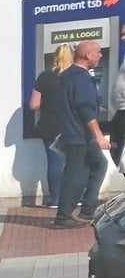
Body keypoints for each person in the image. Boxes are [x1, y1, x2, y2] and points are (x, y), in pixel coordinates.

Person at [54, 39, 110, 230]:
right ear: (88, 55)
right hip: (79, 135)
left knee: (99, 164)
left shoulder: (66, 76)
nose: (101, 55)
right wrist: (99, 135)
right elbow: (85, 109)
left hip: (72, 133)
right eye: (98, 52)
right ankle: (63, 217)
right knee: (75, 175)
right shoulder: (82, 78)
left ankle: (88, 208)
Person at [29, 43, 72, 209]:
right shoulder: (75, 75)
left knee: (54, 163)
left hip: (50, 126)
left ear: (54, 56)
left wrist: (48, 103)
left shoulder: (45, 76)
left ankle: (55, 199)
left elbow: (34, 105)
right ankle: (74, 197)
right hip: (71, 127)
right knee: (74, 163)